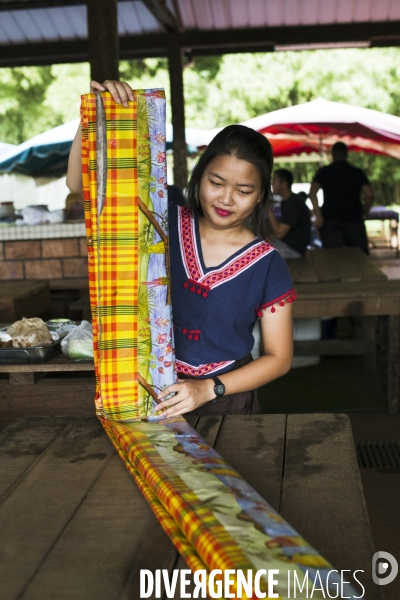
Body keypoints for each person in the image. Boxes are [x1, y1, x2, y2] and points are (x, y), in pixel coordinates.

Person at [67, 80, 295, 418]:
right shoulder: (160, 213)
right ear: (200, 176)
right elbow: (78, 185)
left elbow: (279, 358)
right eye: (216, 183)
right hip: (147, 389)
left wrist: (208, 388)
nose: (226, 199)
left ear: (261, 195)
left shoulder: (268, 264)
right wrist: (94, 118)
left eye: (244, 190)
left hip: (229, 401)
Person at [309, 142, 374, 254]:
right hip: (354, 219)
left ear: (332, 154)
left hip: (330, 220)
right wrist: (365, 210)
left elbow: (312, 192)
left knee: (334, 259)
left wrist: (318, 215)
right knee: (360, 258)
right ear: (346, 154)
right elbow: (369, 194)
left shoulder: (324, 171)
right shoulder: (356, 172)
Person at [268, 168, 311, 258]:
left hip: (293, 249)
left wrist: (268, 209)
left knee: (254, 254)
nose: (272, 184)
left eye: (274, 181)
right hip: (287, 244)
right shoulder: (287, 201)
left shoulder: (293, 203)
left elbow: (279, 234)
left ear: (284, 184)